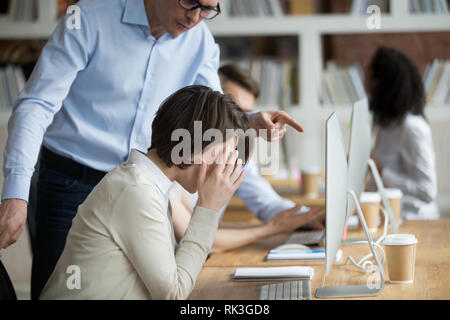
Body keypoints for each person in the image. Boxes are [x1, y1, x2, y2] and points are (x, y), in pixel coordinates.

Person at [0, 0, 305, 300]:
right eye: (190, 3)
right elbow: (36, 105)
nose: (196, 17)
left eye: (207, 9)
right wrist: (15, 193)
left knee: (132, 286)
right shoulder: (90, 18)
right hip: (72, 179)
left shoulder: (199, 41)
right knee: (68, 286)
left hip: (148, 180)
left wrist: (250, 121)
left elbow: (213, 119)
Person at [40, 85, 252, 299]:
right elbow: (173, 293)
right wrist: (208, 208)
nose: (225, 168)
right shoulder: (137, 191)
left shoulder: (153, 184)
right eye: (225, 156)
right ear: (196, 149)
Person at [170, 64, 325, 253]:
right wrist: (271, 229)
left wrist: (305, 217)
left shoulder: (234, 155)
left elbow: (263, 200)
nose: (238, 120)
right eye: (234, 109)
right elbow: (195, 237)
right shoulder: (181, 160)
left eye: (245, 112)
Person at [368, 47, 439, 220]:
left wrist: (381, 170)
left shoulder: (412, 128)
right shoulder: (386, 126)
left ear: (383, 86)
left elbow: (427, 191)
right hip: (389, 219)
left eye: (371, 80)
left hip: (416, 221)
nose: (367, 86)